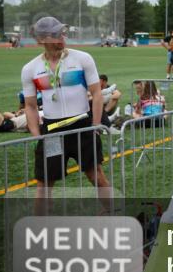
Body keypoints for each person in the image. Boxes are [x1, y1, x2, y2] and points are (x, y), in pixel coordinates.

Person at [21, 16, 110, 215]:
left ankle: (116, 214)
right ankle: (39, 230)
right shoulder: (30, 69)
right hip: (52, 132)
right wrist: (37, 135)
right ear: (42, 39)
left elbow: (96, 94)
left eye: (62, 33)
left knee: (95, 175)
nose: (62, 37)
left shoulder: (82, 59)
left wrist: (94, 125)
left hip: (82, 126)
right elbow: (30, 106)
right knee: (44, 184)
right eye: (56, 35)